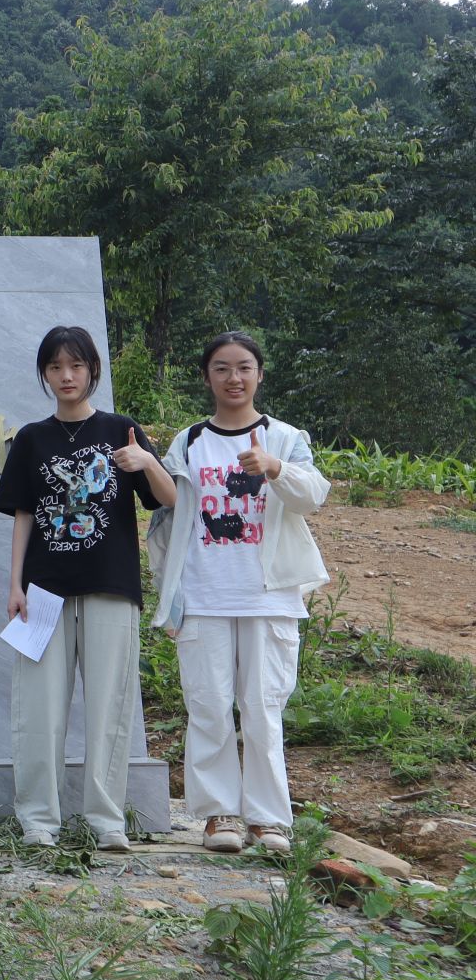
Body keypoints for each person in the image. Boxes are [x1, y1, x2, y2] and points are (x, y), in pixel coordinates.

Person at [0, 325, 174, 851]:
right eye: (55, 367)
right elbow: (24, 515)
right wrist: (15, 584)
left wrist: (147, 462)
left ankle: (106, 821)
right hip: (43, 592)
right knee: (38, 710)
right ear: (44, 374)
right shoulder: (32, 438)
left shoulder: (122, 430)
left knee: (110, 709)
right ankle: (38, 821)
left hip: (110, 586)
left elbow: (170, 500)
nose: (66, 376)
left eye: (75, 365)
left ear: (93, 369)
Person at [148, 331, 329, 856]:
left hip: (269, 596)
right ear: (207, 377)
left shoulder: (285, 438)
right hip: (202, 595)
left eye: (244, 367)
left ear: (259, 374)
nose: (234, 378)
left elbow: (313, 496)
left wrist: (275, 469)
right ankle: (219, 814)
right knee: (207, 705)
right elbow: (169, 508)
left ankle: (269, 819)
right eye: (222, 368)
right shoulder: (189, 441)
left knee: (263, 709)